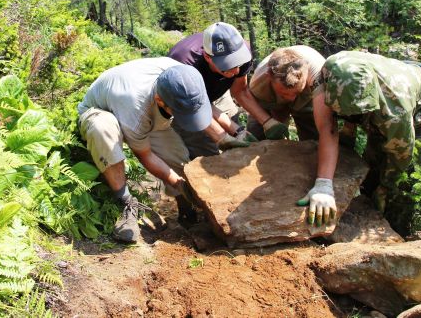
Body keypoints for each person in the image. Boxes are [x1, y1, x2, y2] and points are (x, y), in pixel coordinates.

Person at [77, 57, 217, 243]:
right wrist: (179, 184)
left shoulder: (184, 78)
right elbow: (145, 154)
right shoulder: (136, 107)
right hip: (103, 112)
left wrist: (227, 135)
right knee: (102, 129)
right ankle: (125, 204)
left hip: (145, 111)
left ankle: (187, 209)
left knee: (178, 158)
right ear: (160, 100)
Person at [321, 51, 421, 235]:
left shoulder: (395, 113)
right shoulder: (333, 67)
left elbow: (401, 155)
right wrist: (347, 136)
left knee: (407, 178)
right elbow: (342, 110)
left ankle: (398, 227)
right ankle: (365, 202)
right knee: (371, 163)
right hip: (391, 74)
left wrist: (385, 187)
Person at [247, 46, 339, 226]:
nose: (290, 98)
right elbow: (249, 99)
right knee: (255, 141)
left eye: (294, 93)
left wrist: (324, 185)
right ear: (270, 78)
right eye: (284, 93)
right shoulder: (259, 83)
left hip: (309, 99)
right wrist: (268, 122)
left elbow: (328, 129)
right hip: (269, 99)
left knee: (313, 144)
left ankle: (320, 178)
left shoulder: (319, 75)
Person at [168, 22, 288, 158]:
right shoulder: (183, 65)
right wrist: (222, 137)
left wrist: (266, 123)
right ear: (208, 57)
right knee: (205, 149)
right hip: (185, 102)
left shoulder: (242, 53)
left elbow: (240, 91)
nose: (236, 71)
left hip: (217, 89)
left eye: (237, 63)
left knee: (236, 130)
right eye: (227, 65)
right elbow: (197, 108)